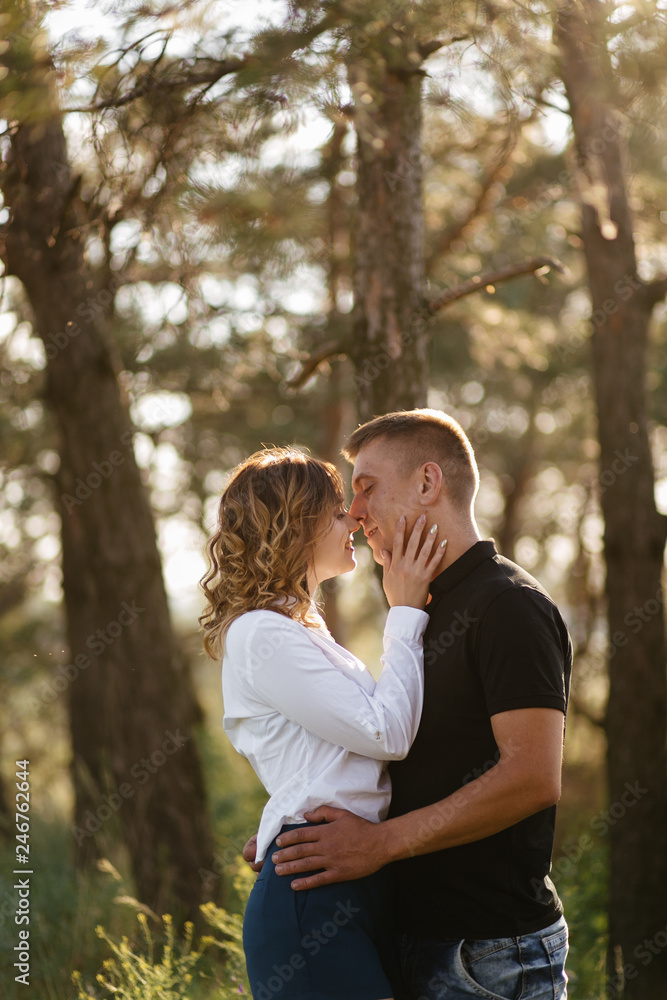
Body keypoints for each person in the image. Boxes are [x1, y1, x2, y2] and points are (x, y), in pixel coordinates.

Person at [258, 409, 573, 1000]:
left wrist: (380, 843)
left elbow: (532, 777)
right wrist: (291, 818)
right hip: (409, 935)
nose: (354, 513)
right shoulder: (419, 606)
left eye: (367, 488)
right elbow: (410, 753)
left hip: (488, 952)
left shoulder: (509, 605)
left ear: (429, 484)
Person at [199, 445, 448, 1000]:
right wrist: (405, 611)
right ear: (296, 526)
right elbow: (387, 734)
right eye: (337, 511)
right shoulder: (262, 633)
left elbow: (324, 762)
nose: (354, 519)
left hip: (349, 878)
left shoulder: (300, 630)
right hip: (314, 900)